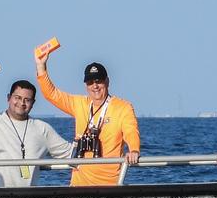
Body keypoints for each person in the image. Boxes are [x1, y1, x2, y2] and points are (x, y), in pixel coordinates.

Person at [35, 52, 141, 186]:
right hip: (79, 183)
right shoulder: (80, 104)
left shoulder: (123, 107)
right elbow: (52, 94)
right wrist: (41, 66)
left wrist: (134, 150)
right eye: (90, 82)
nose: (95, 86)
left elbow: (131, 131)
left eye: (98, 81)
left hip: (110, 184)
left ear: (107, 81)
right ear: (86, 85)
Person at [0, 73, 72, 187]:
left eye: (27, 100)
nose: (22, 103)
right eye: (17, 98)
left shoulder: (42, 129)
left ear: (33, 103)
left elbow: (70, 153)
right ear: (8, 98)